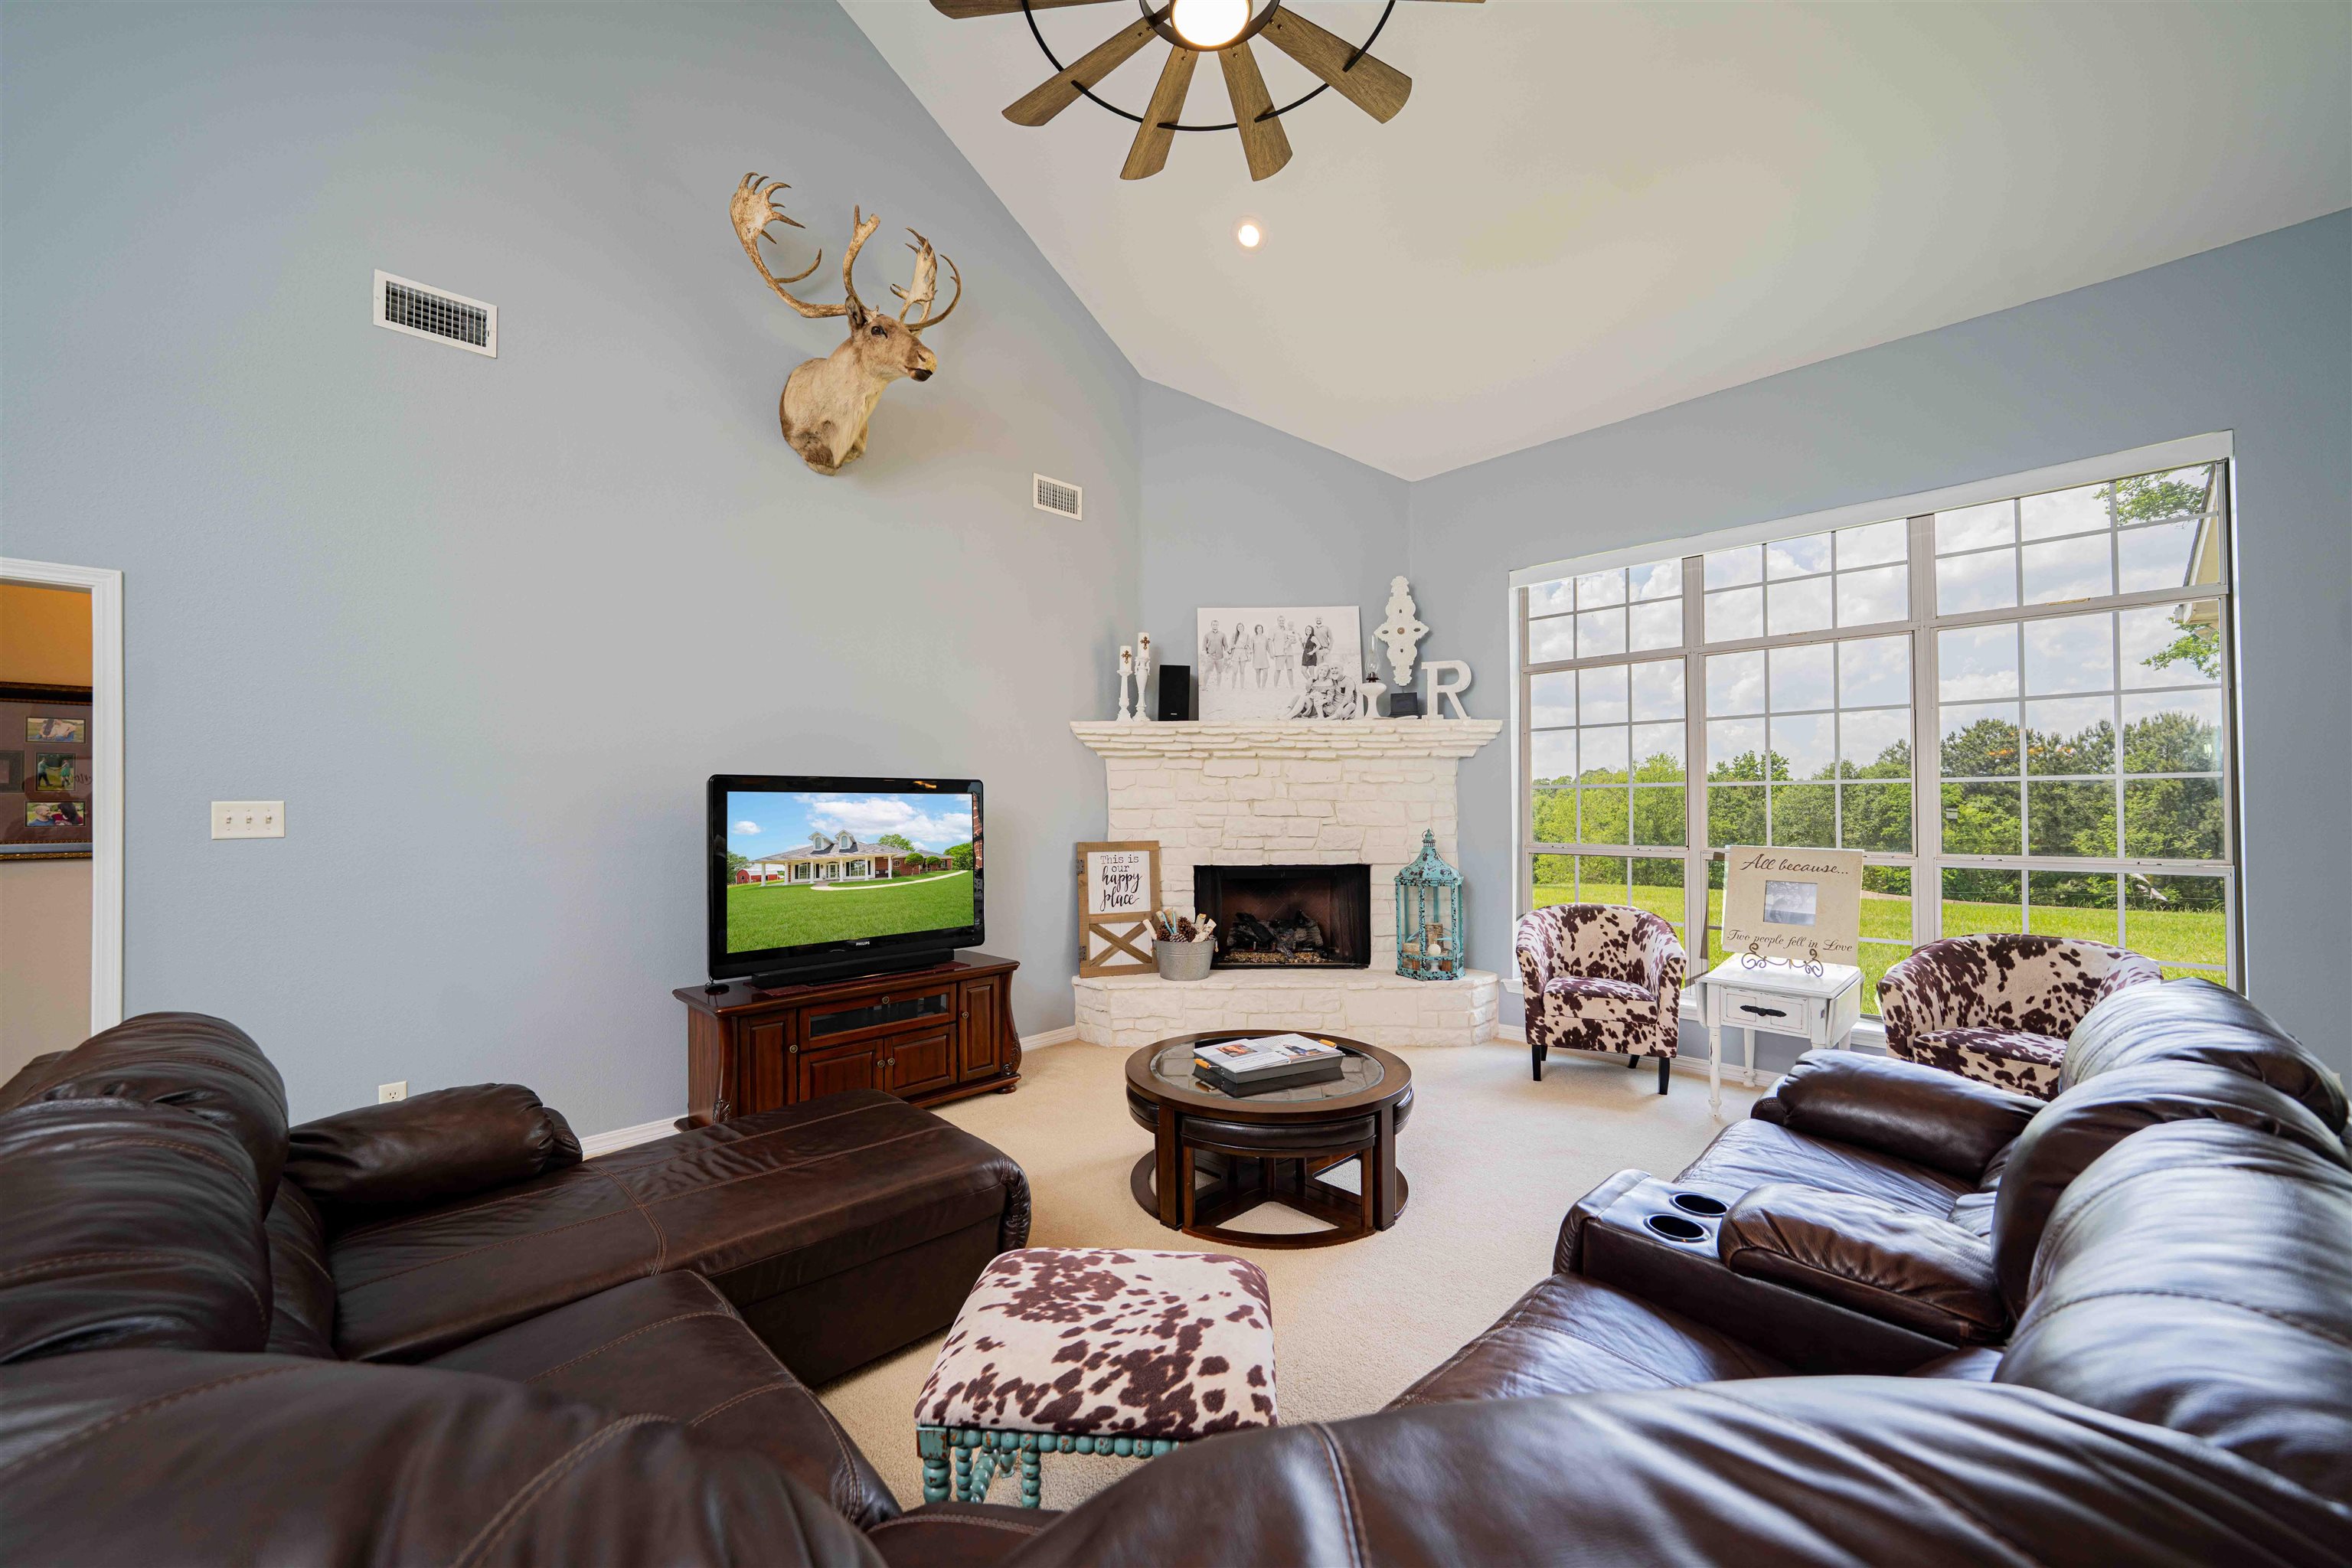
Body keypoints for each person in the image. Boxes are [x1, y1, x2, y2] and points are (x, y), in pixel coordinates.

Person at [1252, 622, 1272, 688]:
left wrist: (1271, 654)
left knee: (1266, 672)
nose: (1259, 630)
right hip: (1256, 657)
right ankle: (1259, 687)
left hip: (1264, 658)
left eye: (1260, 628)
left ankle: (1263, 686)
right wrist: (1249, 656)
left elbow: (1268, 648)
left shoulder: (1265, 637)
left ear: (1262, 629)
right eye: (1258, 629)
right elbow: (1251, 649)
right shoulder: (1253, 638)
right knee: (1258, 673)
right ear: (1256, 630)